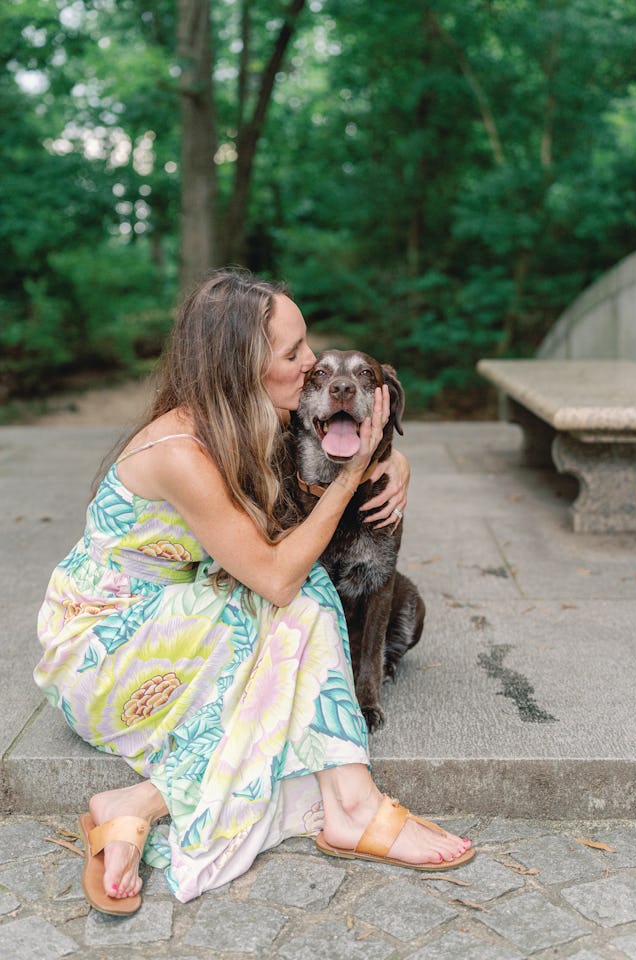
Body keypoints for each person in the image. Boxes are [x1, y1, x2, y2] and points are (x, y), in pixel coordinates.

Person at [34, 270, 474, 914]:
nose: (310, 364)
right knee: (305, 597)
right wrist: (357, 474)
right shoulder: (183, 449)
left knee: (297, 619)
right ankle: (352, 806)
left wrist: (390, 459)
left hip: (180, 615)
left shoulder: (247, 422)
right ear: (241, 360)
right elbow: (276, 575)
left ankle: (138, 802)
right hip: (103, 650)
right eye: (294, 353)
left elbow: (326, 461)